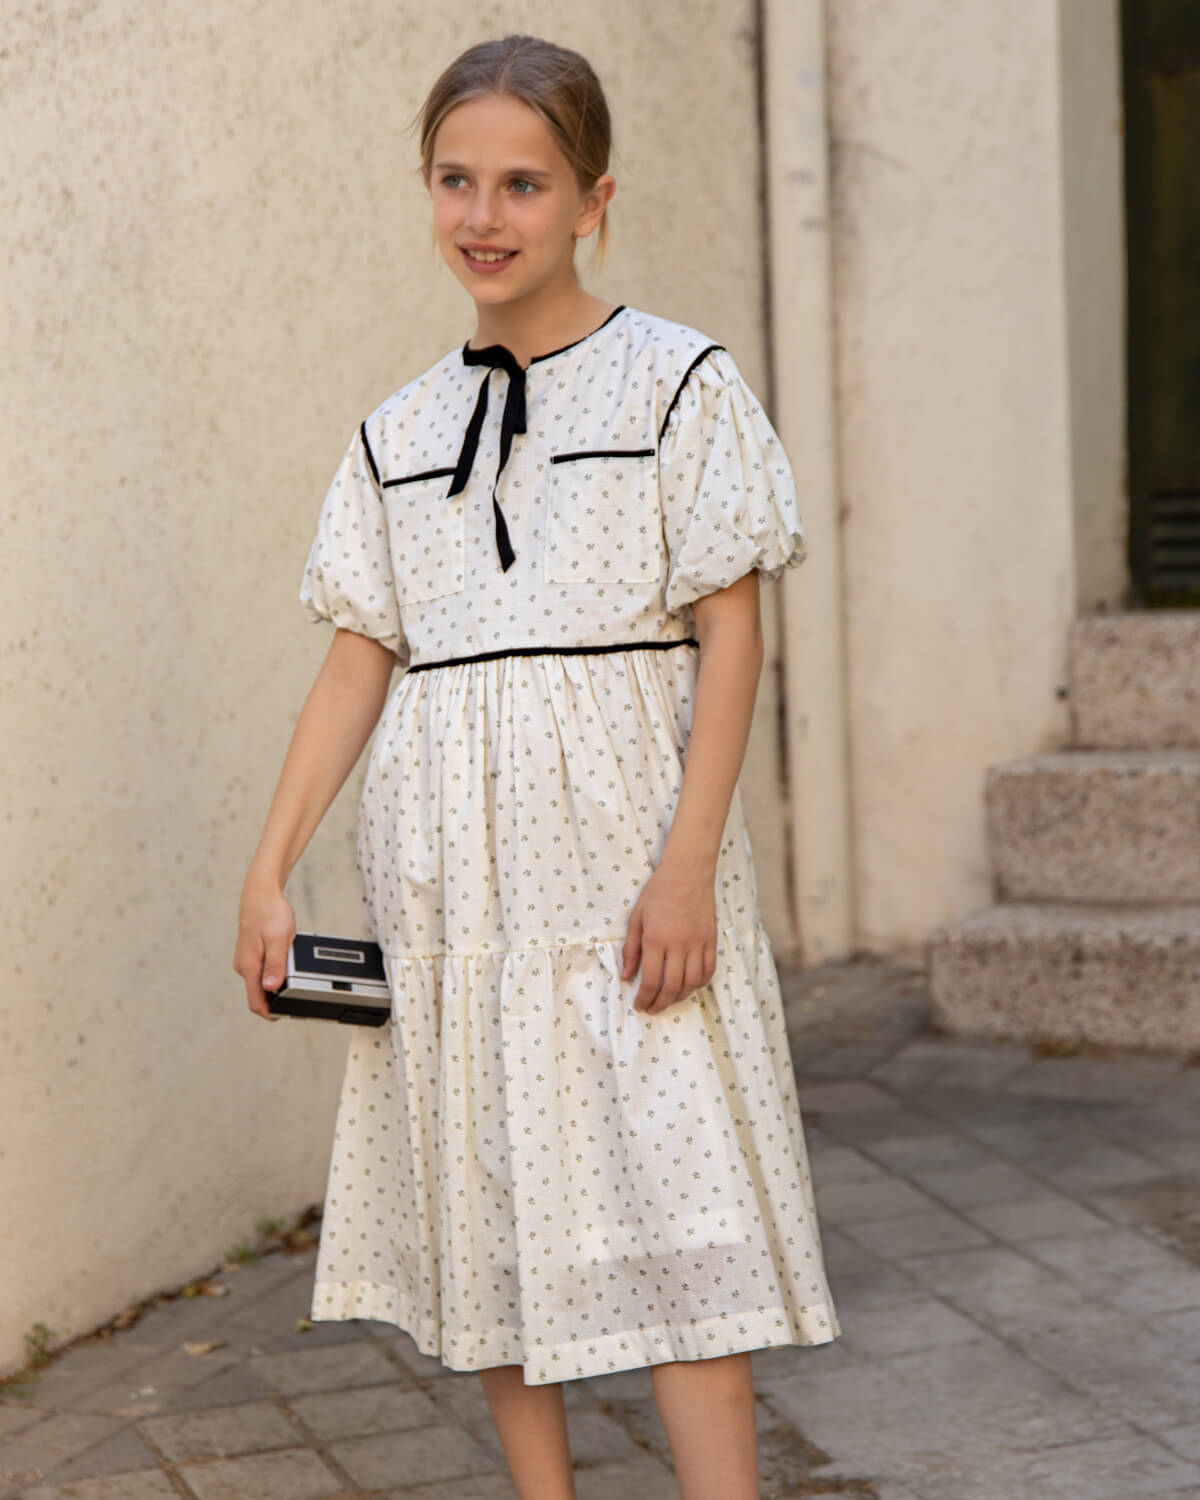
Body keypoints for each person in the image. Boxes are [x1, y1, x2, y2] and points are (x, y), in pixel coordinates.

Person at [233, 31, 840, 1500]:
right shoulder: (395, 434)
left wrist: (691, 859)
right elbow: (360, 657)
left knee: (689, 1215)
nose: (484, 216)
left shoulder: (678, 383)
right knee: (493, 1208)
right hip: (453, 879)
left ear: (592, 198)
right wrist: (268, 866)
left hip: (632, 856)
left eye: (522, 182)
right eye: (456, 180)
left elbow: (732, 636)